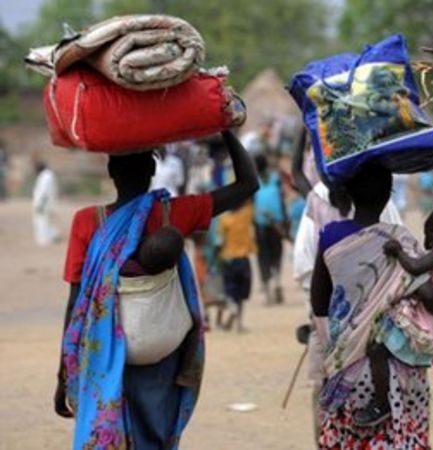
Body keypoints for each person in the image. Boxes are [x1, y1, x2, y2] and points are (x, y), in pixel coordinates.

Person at [54, 130, 258, 449]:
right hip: (162, 348)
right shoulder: (173, 213)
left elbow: (76, 304)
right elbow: (248, 184)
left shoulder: (87, 223)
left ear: (110, 171)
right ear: (153, 171)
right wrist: (225, 130)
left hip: (103, 351)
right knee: (155, 438)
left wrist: (64, 373)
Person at [311, 163, 431, 448]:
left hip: (346, 364)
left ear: (348, 192)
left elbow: (319, 302)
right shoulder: (400, 240)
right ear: (389, 194)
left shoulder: (330, 236)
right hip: (399, 365)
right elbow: (430, 294)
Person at [354, 206, 433, 427]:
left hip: (415, 317)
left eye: (428, 234)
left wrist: (397, 251)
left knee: (377, 350)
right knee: (409, 364)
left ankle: (380, 404)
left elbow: (414, 267)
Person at [253, 154, 288, 305]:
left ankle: (271, 288)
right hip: (271, 222)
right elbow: (281, 198)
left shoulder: (260, 180)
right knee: (273, 254)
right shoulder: (271, 179)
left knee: (267, 256)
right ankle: (274, 284)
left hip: (267, 223)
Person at [217, 200, 257, 332]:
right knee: (242, 293)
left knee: (230, 290)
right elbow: (250, 199)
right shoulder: (246, 214)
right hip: (243, 258)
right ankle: (239, 324)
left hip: (228, 258)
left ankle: (231, 307)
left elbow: (221, 240)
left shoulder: (224, 219)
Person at [32, 159, 60, 246]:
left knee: (42, 220)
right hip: (46, 203)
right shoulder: (47, 175)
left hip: (44, 203)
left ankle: (44, 239)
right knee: (45, 220)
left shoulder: (46, 176)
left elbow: (44, 192)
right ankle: (50, 236)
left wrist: (40, 204)